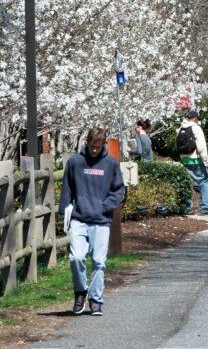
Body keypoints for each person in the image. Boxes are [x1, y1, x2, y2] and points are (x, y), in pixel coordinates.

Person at [59, 127, 125, 316]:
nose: (94, 150)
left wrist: (105, 206)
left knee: (99, 261)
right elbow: (67, 188)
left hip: (101, 220)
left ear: (103, 144)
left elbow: (118, 189)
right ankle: (80, 292)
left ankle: (95, 299)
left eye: (98, 146)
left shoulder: (110, 164)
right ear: (86, 141)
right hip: (79, 218)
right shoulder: (75, 162)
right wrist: (64, 210)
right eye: (92, 146)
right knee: (76, 257)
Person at [178, 110, 208, 215]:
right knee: (204, 181)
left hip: (184, 160)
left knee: (187, 184)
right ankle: (204, 208)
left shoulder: (180, 129)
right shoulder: (196, 128)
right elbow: (201, 147)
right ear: (195, 119)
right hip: (196, 160)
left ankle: (188, 208)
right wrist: (207, 161)